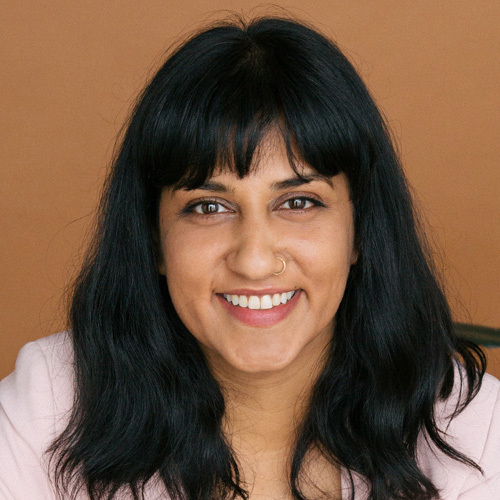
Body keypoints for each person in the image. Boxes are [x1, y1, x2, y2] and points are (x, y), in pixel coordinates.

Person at [0, 15, 499, 500]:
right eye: (208, 206)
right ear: (153, 239)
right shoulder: (49, 405)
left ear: (360, 231)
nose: (255, 260)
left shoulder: (473, 434)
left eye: (298, 202)